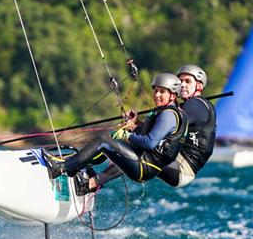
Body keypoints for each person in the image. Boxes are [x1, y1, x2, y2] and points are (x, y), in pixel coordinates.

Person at [43, 73, 188, 190]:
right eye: (156, 90)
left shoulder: (169, 114)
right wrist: (132, 127)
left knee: (103, 141)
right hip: (144, 163)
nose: (156, 95)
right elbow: (146, 135)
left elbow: (149, 142)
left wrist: (127, 135)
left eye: (162, 92)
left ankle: (61, 168)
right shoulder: (163, 112)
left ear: (173, 96)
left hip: (144, 166)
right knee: (108, 142)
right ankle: (75, 169)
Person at [157, 64, 216, 187]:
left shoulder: (196, 105)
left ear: (199, 86)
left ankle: (104, 180)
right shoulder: (190, 106)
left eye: (187, 81)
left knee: (136, 146)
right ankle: (105, 179)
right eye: (180, 81)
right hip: (180, 167)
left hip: (181, 168)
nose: (182, 85)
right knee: (131, 146)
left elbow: (162, 129)